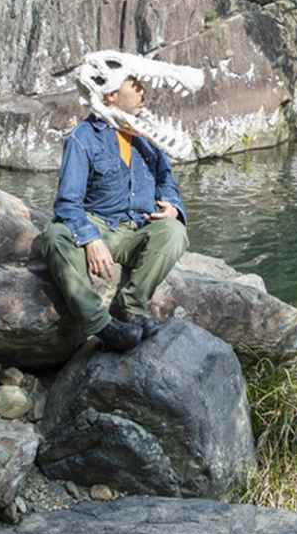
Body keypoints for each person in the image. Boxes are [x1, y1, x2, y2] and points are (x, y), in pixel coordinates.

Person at [39, 75, 189, 352]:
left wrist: (171, 206)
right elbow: (67, 203)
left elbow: (166, 180)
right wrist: (90, 239)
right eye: (135, 85)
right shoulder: (82, 137)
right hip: (101, 226)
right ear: (110, 96)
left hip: (141, 227)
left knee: (175, 231)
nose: (143, 91)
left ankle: (131, 307)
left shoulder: (147, 134)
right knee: (55, 236)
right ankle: (102, 325)